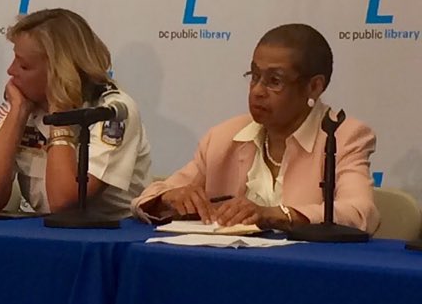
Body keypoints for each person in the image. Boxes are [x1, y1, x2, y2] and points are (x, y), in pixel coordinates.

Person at [132, 23, 380, 233]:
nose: (258, 91)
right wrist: (169, 198)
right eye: (254, 76)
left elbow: (360, 213)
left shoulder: (344, 136)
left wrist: (273, 214)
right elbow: (147, 198)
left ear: (314, 87)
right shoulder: (224, 137)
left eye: (274, 81)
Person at [0, 8, 151, 217]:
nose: (11, 71)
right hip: (43, 228)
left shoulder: (112, 111)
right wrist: (17, 113)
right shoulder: (21, 102)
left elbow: (64, 203)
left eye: (24, 66)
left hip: (113, 231)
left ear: (60, 71)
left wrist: (59, 112)